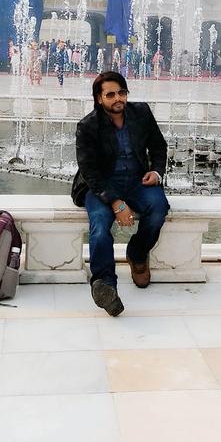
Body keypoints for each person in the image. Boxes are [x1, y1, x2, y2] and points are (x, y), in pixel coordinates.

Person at [72, 71, 169, 317]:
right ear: (99, 98)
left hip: (138, 181)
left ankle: (137, 254)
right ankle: (105, 284)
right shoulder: (87, 126)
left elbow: (158, 146)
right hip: (101, 185)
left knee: (158, 209)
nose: (118, 98)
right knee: (100, 224)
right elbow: (89, 171)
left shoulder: (141, 112)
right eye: (111, 94)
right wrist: (115, 202)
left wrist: (156, 172)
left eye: (122, 93)